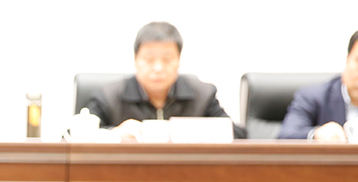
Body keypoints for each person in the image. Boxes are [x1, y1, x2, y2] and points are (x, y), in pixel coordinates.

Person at [85, 22, 242, 140]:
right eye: (149, 59)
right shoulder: (109, 96)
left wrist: (196, 131)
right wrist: (114, 133)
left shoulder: (202, 95)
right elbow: (78, 136)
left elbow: (238, 136)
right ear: (135, 60)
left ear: (178, 60)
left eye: (167, 59)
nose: (158, 68)